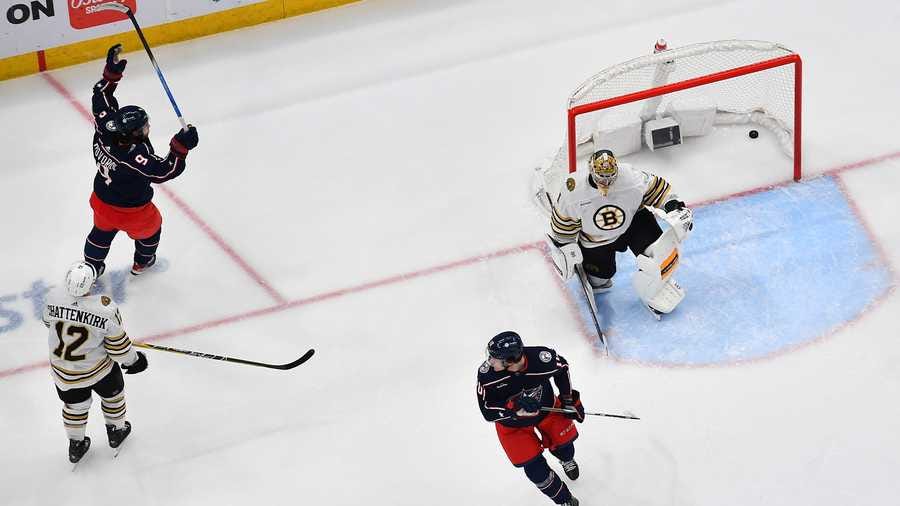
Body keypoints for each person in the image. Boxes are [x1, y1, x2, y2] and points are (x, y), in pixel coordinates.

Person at [83, 43, 199, 277]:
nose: (148, 127)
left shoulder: (106, 126)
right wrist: (181, 147)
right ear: (134, 134)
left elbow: (100, 95)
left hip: (102, 200)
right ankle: (142, 262)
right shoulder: (133, 156)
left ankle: (91, 267)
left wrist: (111, 74)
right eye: (144, 126)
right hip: (132, 211)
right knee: (151, 232)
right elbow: (163, 171)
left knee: (100, 233)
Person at [546, 149, 694, 316]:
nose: (606, 182)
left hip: (633, 224)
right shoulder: (573, 190)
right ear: (591, 170)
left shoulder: (631, 177)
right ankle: (595, 275)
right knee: (600, 281)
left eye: (610, 176)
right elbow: (563, 223)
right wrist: (565, 247)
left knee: (659, 253)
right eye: (602, 177)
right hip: (596, 240)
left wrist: (674, 205)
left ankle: (655, 284)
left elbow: (658, 189)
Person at [43, 261, 148, 463]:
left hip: (64, 374)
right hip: (99, 371)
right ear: (91, 284)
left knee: (75, 408)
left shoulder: (52, 298)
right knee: (113, 398)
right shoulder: (105, 307)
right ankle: (117, 430)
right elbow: (118, 347)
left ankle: (76, 445)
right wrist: (134, 361)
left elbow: (48, 322)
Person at [475, 331, 585, 506]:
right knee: (535, 471)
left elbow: (562, 367)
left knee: (566, 447)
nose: (490, 361)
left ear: (510, 361)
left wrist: (568, 400)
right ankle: (564, 499)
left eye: (494, 358)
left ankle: (566, 459)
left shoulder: (541, 359)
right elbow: (487, 410)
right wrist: (512, 408)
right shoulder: (487, 376)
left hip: (547, 410)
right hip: (512, 426)